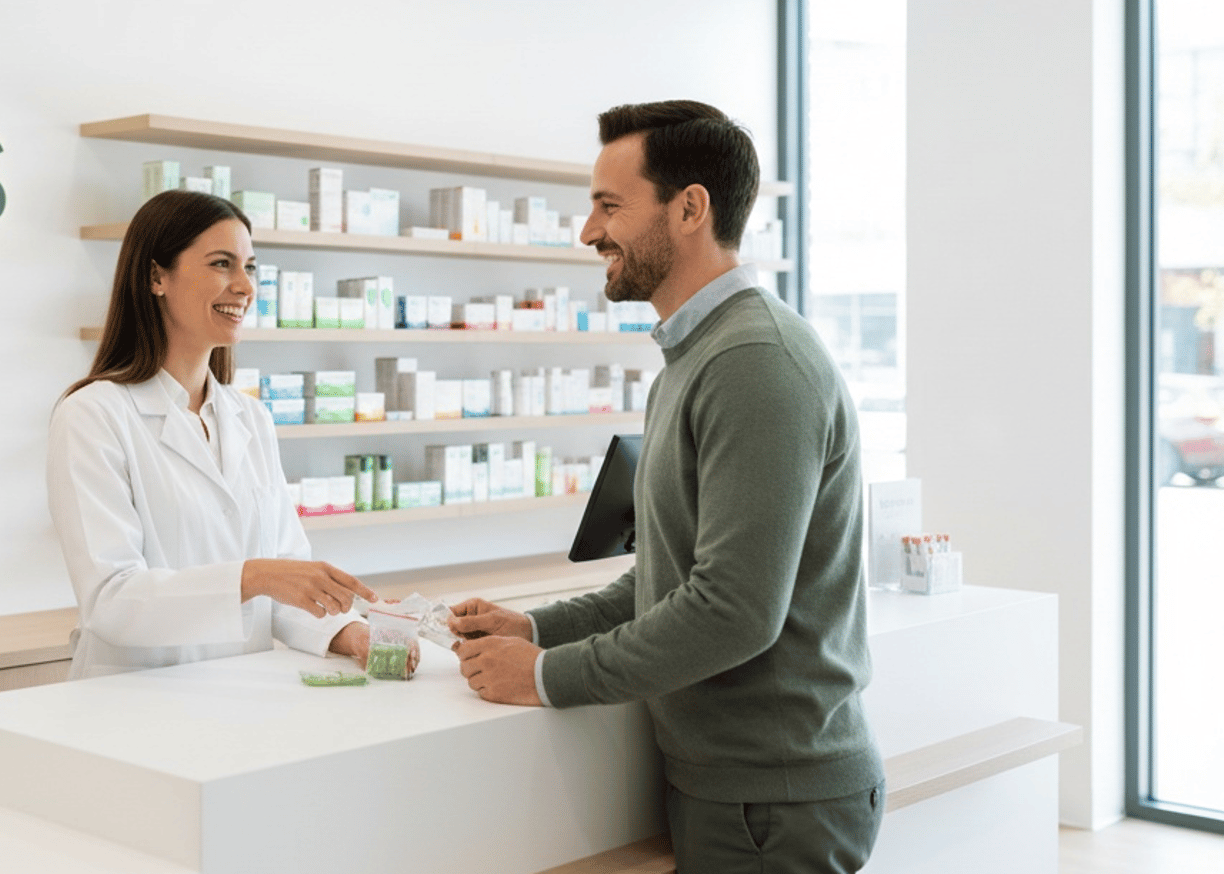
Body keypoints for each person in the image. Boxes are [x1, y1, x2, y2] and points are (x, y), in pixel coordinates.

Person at [450, 101, 885, 873]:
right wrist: (536, 631)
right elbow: (669, 579)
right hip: (740, 794)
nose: (589, 233)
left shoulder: (756, 362)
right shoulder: (697, 356)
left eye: (609, 207)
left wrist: (548, 678)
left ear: (690, 208)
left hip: (772, 803)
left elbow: (733, 611)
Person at [48, 189, 392, 680]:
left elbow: (288, 581)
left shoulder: (250, 419)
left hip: (239, 694)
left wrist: (349, 633)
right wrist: (252, 577)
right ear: (155, 276)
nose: (244, 286)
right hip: (132, 703)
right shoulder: (93, 415)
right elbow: (112, 599)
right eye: (221, 264)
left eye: (249, 267)